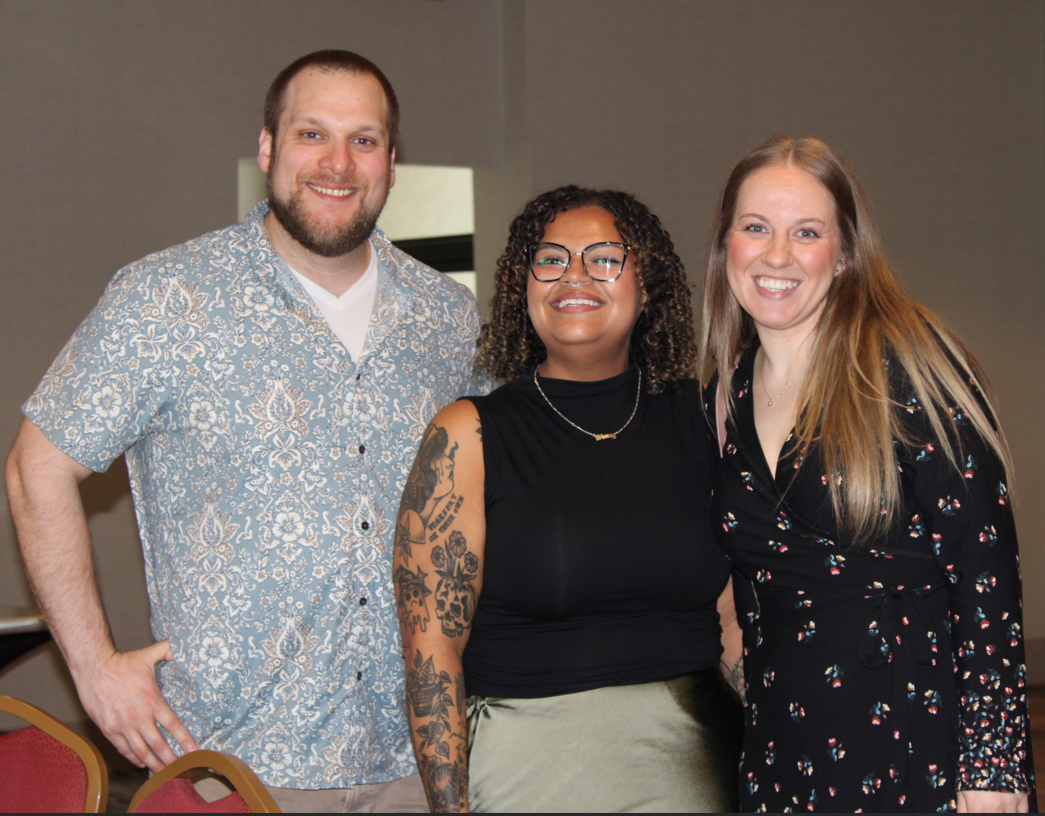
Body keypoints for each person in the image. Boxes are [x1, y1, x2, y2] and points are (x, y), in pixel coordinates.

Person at [6, 49, 489, 811]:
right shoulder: (166, 298)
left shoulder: (448, 317)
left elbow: (491, 499)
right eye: (311, 134)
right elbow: (36, 470)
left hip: (419, 758)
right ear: (268, 148)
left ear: (391, 163)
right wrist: (94, 668)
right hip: (234, 764)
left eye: (363, 140)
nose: (337, 163)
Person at [701, 136, 1036, 812]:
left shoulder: (909, 365)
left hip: (915, 744)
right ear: (725, 244)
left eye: (806, 232)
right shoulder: (724, 393)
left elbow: (985, 575)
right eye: (755, 227)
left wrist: (993, 770)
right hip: (780, 749)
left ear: (845, 253)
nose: (776, 255)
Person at [394, 186, 744, 813]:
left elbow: (734, 617)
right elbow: (432, 652)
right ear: (523, 287)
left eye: (604, 258)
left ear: (646, 287)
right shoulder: (468, 435)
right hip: (526, 774)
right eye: (551, 259)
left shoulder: (704, 419)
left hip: (695, 771)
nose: (573, 276)